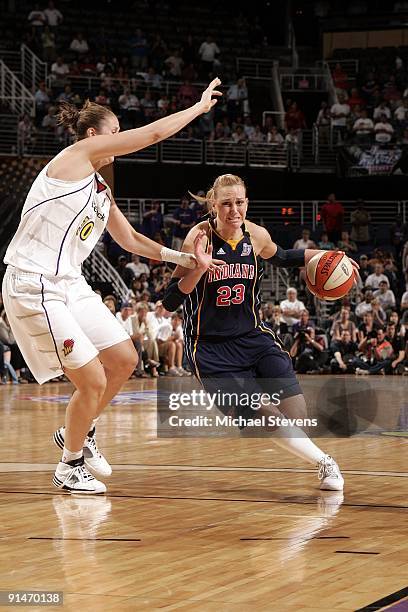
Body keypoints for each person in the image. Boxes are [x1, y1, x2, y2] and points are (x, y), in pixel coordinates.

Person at [2, 78, 223, 494]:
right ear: (92, 136)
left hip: (69, 284)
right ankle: (69, 465)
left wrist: (183, 258)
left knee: (123, 358)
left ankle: (78, 431)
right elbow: (154, 133)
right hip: (33, 284)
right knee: (92, 381)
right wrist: (197, 109)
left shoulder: (100, 189)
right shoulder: (74, 157)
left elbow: (131, 240)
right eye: (115, 131)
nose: (119, 139)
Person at [163, 174, 359, 491]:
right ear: (213, 205)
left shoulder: (256, 235)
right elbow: (171, 300)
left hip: (254, 339)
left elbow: (283, 257)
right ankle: (325, 462)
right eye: (226, 203)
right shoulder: (197, 239)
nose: (233, 210)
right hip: (211, 349)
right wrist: (198, 268)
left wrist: (329, 257)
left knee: (296, 418)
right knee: (266, 415)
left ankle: (312, 454)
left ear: (247, 203)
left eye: (239, 202)